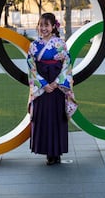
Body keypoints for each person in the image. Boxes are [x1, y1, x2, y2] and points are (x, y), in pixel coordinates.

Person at [27, 13, 74, 166]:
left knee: (57, 118)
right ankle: (48, 152)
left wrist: (55, 83)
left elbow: (67, 64)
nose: (43, 28)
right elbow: (31, 67)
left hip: (57, 86)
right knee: (43, 119)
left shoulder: (60, 44)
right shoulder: (34, 45)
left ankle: (57, 152)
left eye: (46, 25)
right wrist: (43, 84)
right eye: (41, 25)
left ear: (53, 26)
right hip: (42, 87)